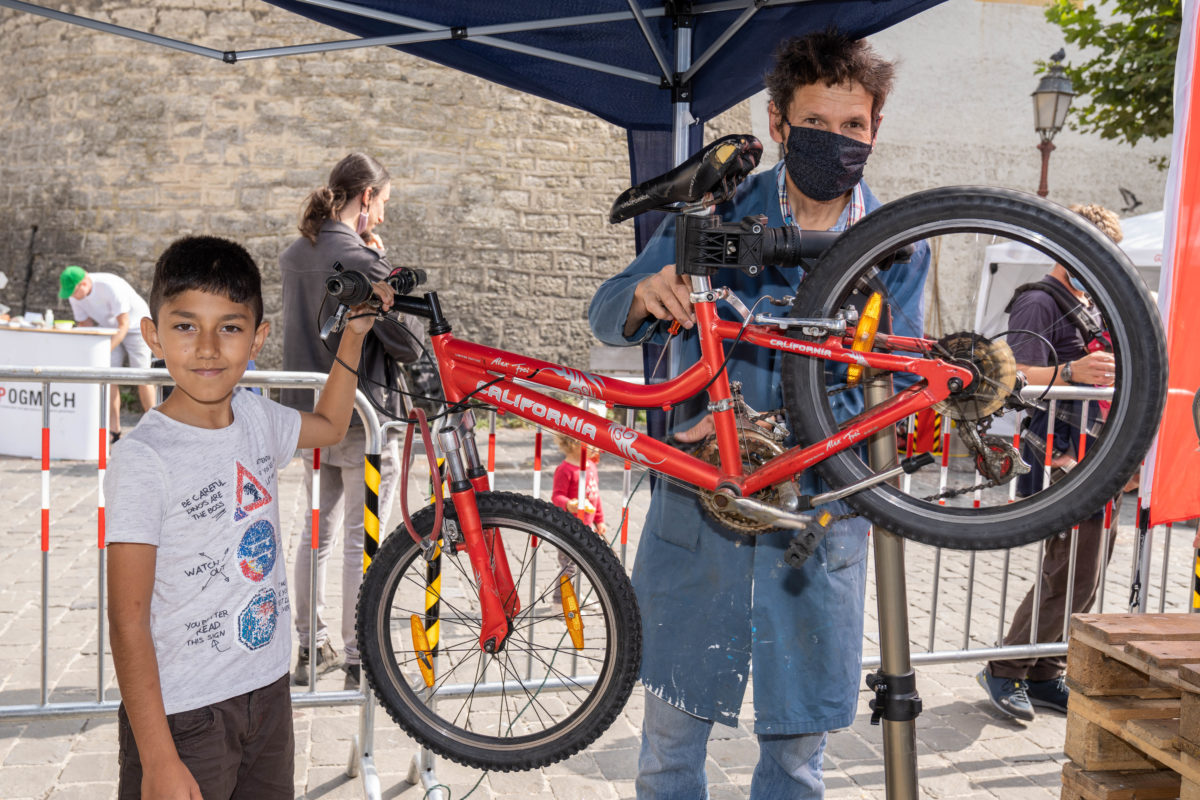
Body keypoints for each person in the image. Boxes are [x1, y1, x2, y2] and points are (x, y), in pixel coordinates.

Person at [588, 31, 930, 798]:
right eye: (816, 124)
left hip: (815, 525)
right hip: (701, 506)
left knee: (796, 765)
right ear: (777, 124)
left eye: (854, 127)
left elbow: (897, 379)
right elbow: (605, 311)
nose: (837, 142)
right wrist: (647, 294)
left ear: (876, 131)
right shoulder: (719, 210)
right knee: (669, 756)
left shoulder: (899, 245)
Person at [104, 235, 393, 799]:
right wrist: (159, 759)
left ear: (258, 337)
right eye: (187, 326)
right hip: (185, 717)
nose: (209, 347)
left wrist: (353, 338)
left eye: (230, 327)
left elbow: (332, 426)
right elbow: (127, 619)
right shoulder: (143, 459)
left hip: (268, 693)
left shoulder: (258, 417)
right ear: (153, 336)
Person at [279, 152, 424, 689]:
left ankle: (309, 645)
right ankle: (360, 653)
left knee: (315, 533)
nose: (383, 216)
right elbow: (407, 343)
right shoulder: (363, 260)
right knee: (361, 540)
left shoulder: (296, 252)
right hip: (365, 415)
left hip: (312, 413)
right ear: (365, 197)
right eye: (382, 203)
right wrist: (383, 266)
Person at [976, 204, 1124, 722]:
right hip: (1057, 451)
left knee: (1087, 565)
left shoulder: (1092, 302)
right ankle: (1006, 667)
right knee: (1073, 564)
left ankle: (1042, 672)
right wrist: (1073, 370)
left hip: (1096, 450)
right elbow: (1009, 379)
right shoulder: (1039, 302)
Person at [59, 265, 156, 442]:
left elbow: (124, 324)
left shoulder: (110, 285)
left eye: (73, 291)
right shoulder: (75, 296)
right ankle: (114, 431)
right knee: (110, 378)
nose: (72, 297)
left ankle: (157, 428)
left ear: (84, 283)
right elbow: (85, 324)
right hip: (109, 330)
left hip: (136, 326)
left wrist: (103, 351)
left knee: (142, 376)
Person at [550, 434, 608, 599]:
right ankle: (560, 602)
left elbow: (595, 496)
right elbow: (557, 496)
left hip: (586, 528)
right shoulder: (565, 470)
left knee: (582, 564)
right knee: (568, 567)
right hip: (568, 529)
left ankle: (573, 595)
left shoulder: (591, 466)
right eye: (592, 444)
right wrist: (569, 504)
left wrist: (599, 519)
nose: (596, 448)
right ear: (576, 444)